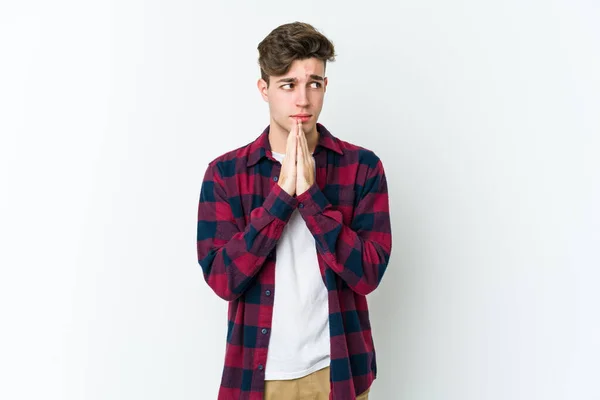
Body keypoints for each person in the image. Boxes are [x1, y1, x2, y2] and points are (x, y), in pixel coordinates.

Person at [196, 21, 392, 400]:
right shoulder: (226, 175)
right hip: (258, 378)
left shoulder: (362, 168)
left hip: (338, 373)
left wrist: (311, 197)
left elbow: (368, 273)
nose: (303, 99)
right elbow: (223, 279)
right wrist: (282, 196)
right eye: (288, 84)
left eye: (314, 83)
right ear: (264, 89)